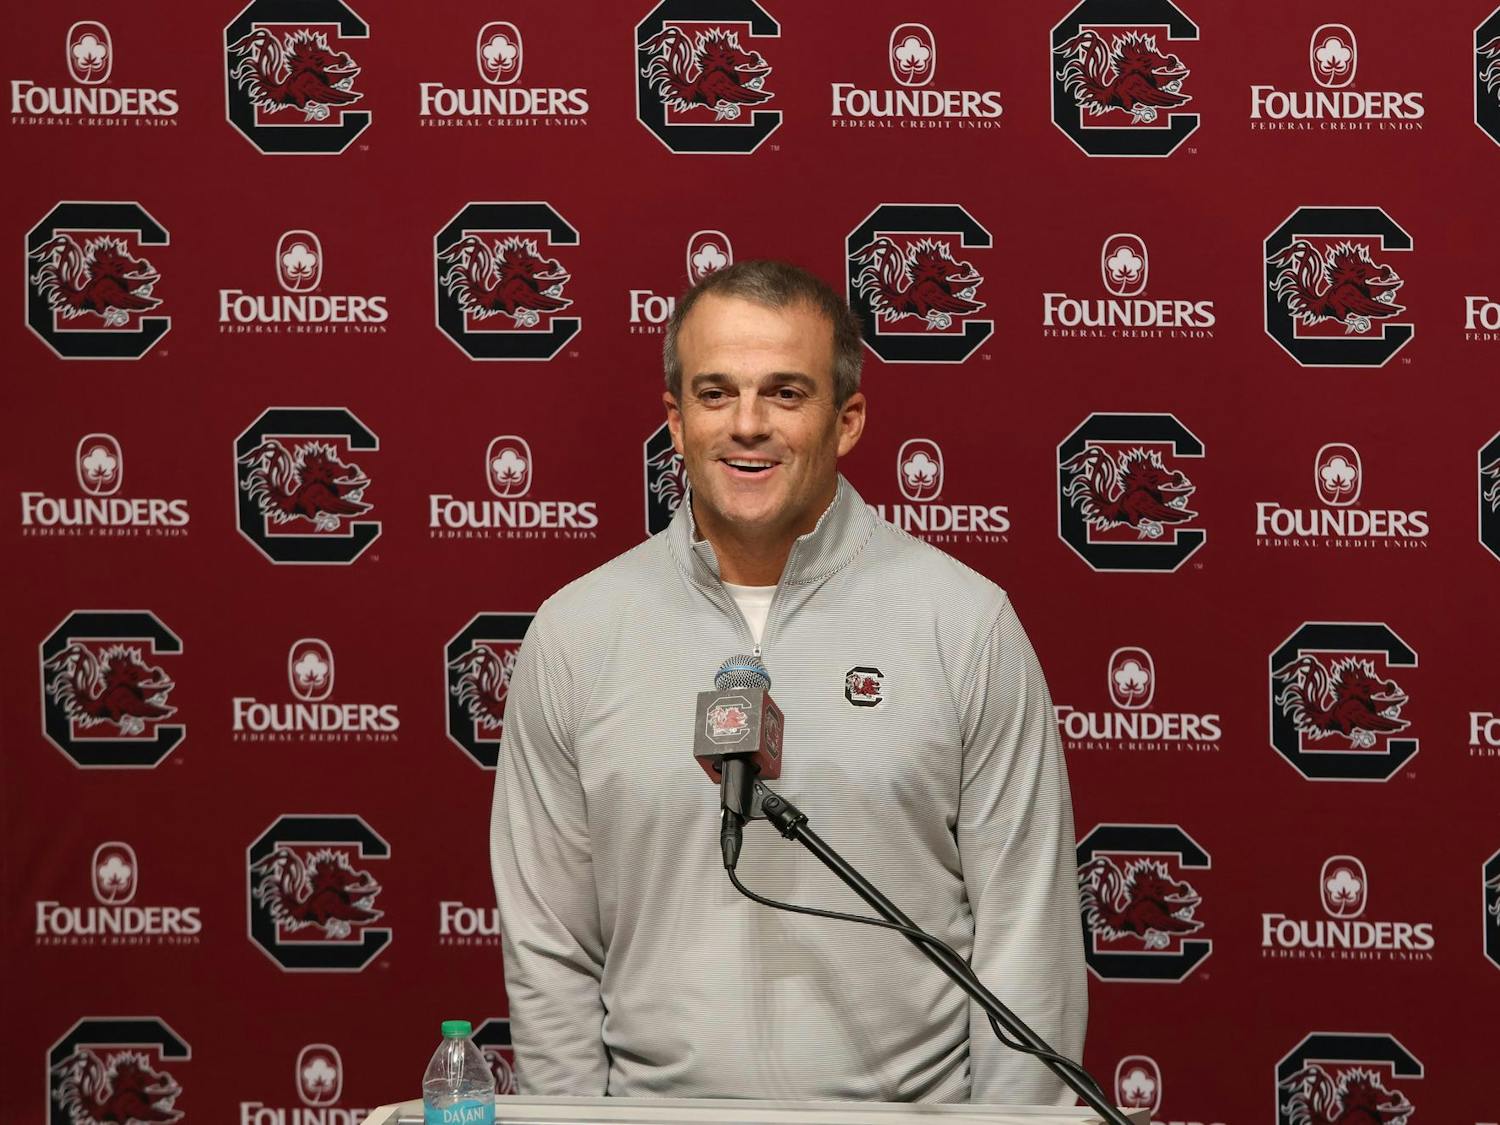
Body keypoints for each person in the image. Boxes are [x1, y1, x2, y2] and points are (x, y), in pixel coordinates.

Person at [489, 260, 1086, 1104]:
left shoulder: (964, 624)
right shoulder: (575, 633)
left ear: (847, 421)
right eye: (715, 393)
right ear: (675, 419)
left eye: (785, 393)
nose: (747, 425)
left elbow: (1029, 941)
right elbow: (549, 949)